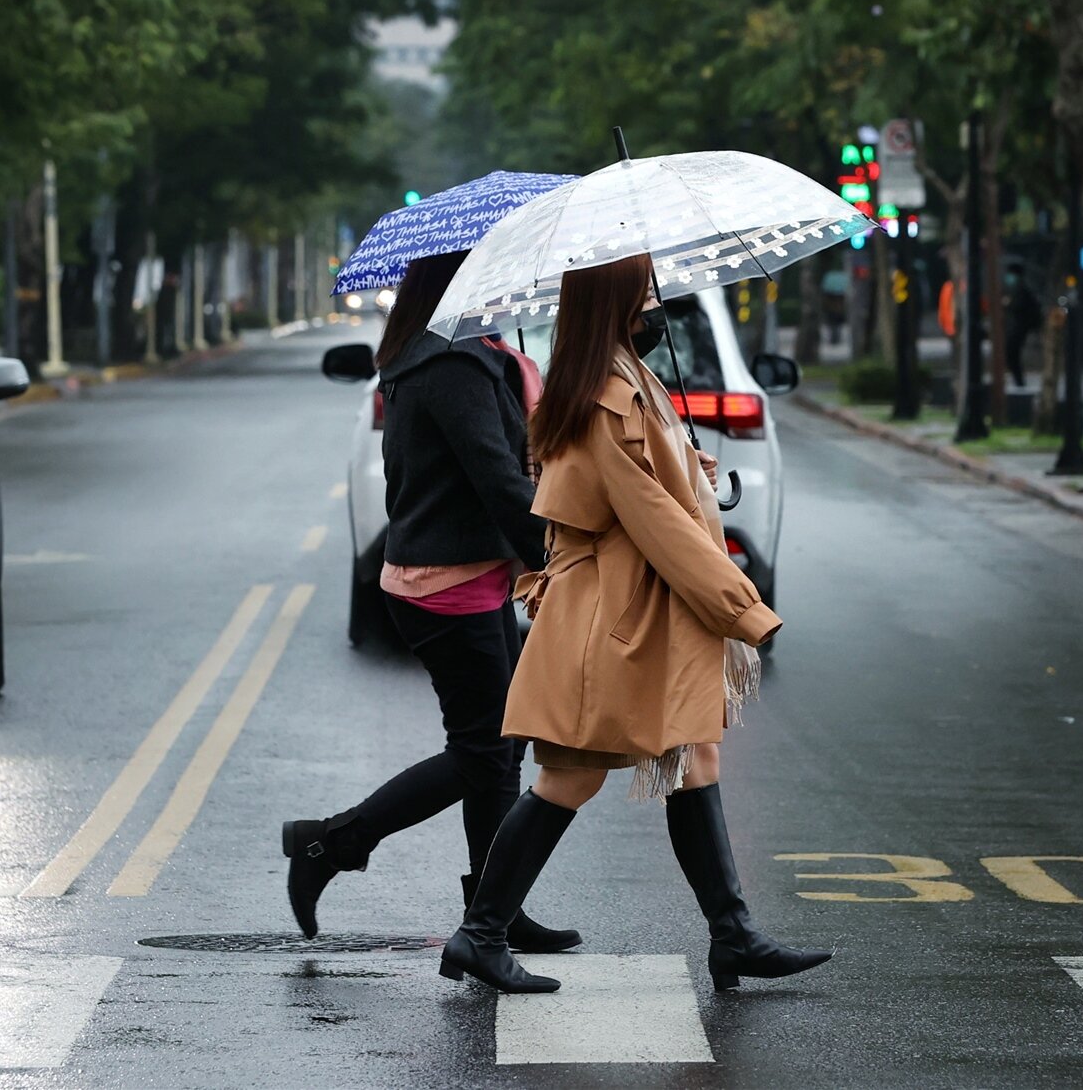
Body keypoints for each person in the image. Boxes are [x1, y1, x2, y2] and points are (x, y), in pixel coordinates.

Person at [437, 253, 832, 995]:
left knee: (694, 759)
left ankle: (733, 935)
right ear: (612, 302)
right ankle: (479, 934)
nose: (658, 305)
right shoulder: (605, 393)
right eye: (645, 292)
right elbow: (651, 520)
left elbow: (651, 486)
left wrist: (689, 467)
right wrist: (742, 607)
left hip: (641, 607)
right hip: (611, 616)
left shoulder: (620, 378)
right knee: (569, 778)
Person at [281, 250, 578, 955]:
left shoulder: (463, 353)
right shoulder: (449, 363)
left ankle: (494, 909)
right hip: (444, 583)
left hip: (465, 572)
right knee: (486, 749)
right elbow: (497, 479)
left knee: (498, 750)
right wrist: (554, 557)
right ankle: (331, 843)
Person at [1004, 265, 1042, 387]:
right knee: (1012, 354)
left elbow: (1018, 307)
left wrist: (1007, 304)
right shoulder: (1018, 289)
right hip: (1017, 327)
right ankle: (1018, 381)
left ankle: (1019, 381)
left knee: (1012, 353)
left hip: (1018, 327)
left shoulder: (1020, 290)